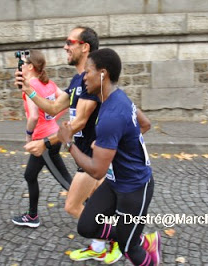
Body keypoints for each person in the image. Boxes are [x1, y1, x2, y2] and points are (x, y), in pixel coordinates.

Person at [16, 26, 122, 264]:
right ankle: (100, 245)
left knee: (73, 206)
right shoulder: (77, 79)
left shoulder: (91, 79)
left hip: (95, 156)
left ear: (84, 47)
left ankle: (123, 240)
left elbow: (80, 121)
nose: (65, 46)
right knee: (96, 204)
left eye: (69, 42)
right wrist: (29, 90)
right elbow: (54, 108)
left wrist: (45, 142)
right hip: (89, 154)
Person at [57, 48, 161, 265]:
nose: (84, 77)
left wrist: (68, 142)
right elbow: (145, 124)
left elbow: (97, 170)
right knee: (86, 226)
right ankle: (131, 235)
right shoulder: (116, 97)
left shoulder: (112, 113)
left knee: (129, 248)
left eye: (88, 72)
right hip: (115, 183)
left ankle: (136, 243)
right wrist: (113, 144)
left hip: (135, 188)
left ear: (102, 73)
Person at [11, 50, 72, 228]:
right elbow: (64, 102)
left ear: (30, 66)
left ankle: (95, 208)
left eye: (22, 63)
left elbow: (34, 117)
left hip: (44, 141)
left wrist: (28, 136)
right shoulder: (49, 83)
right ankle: (32, 216)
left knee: (65, 180)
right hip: (51, 136)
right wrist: (52, 118)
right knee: (30, 175)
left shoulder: (30, 86)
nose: (20, 66)